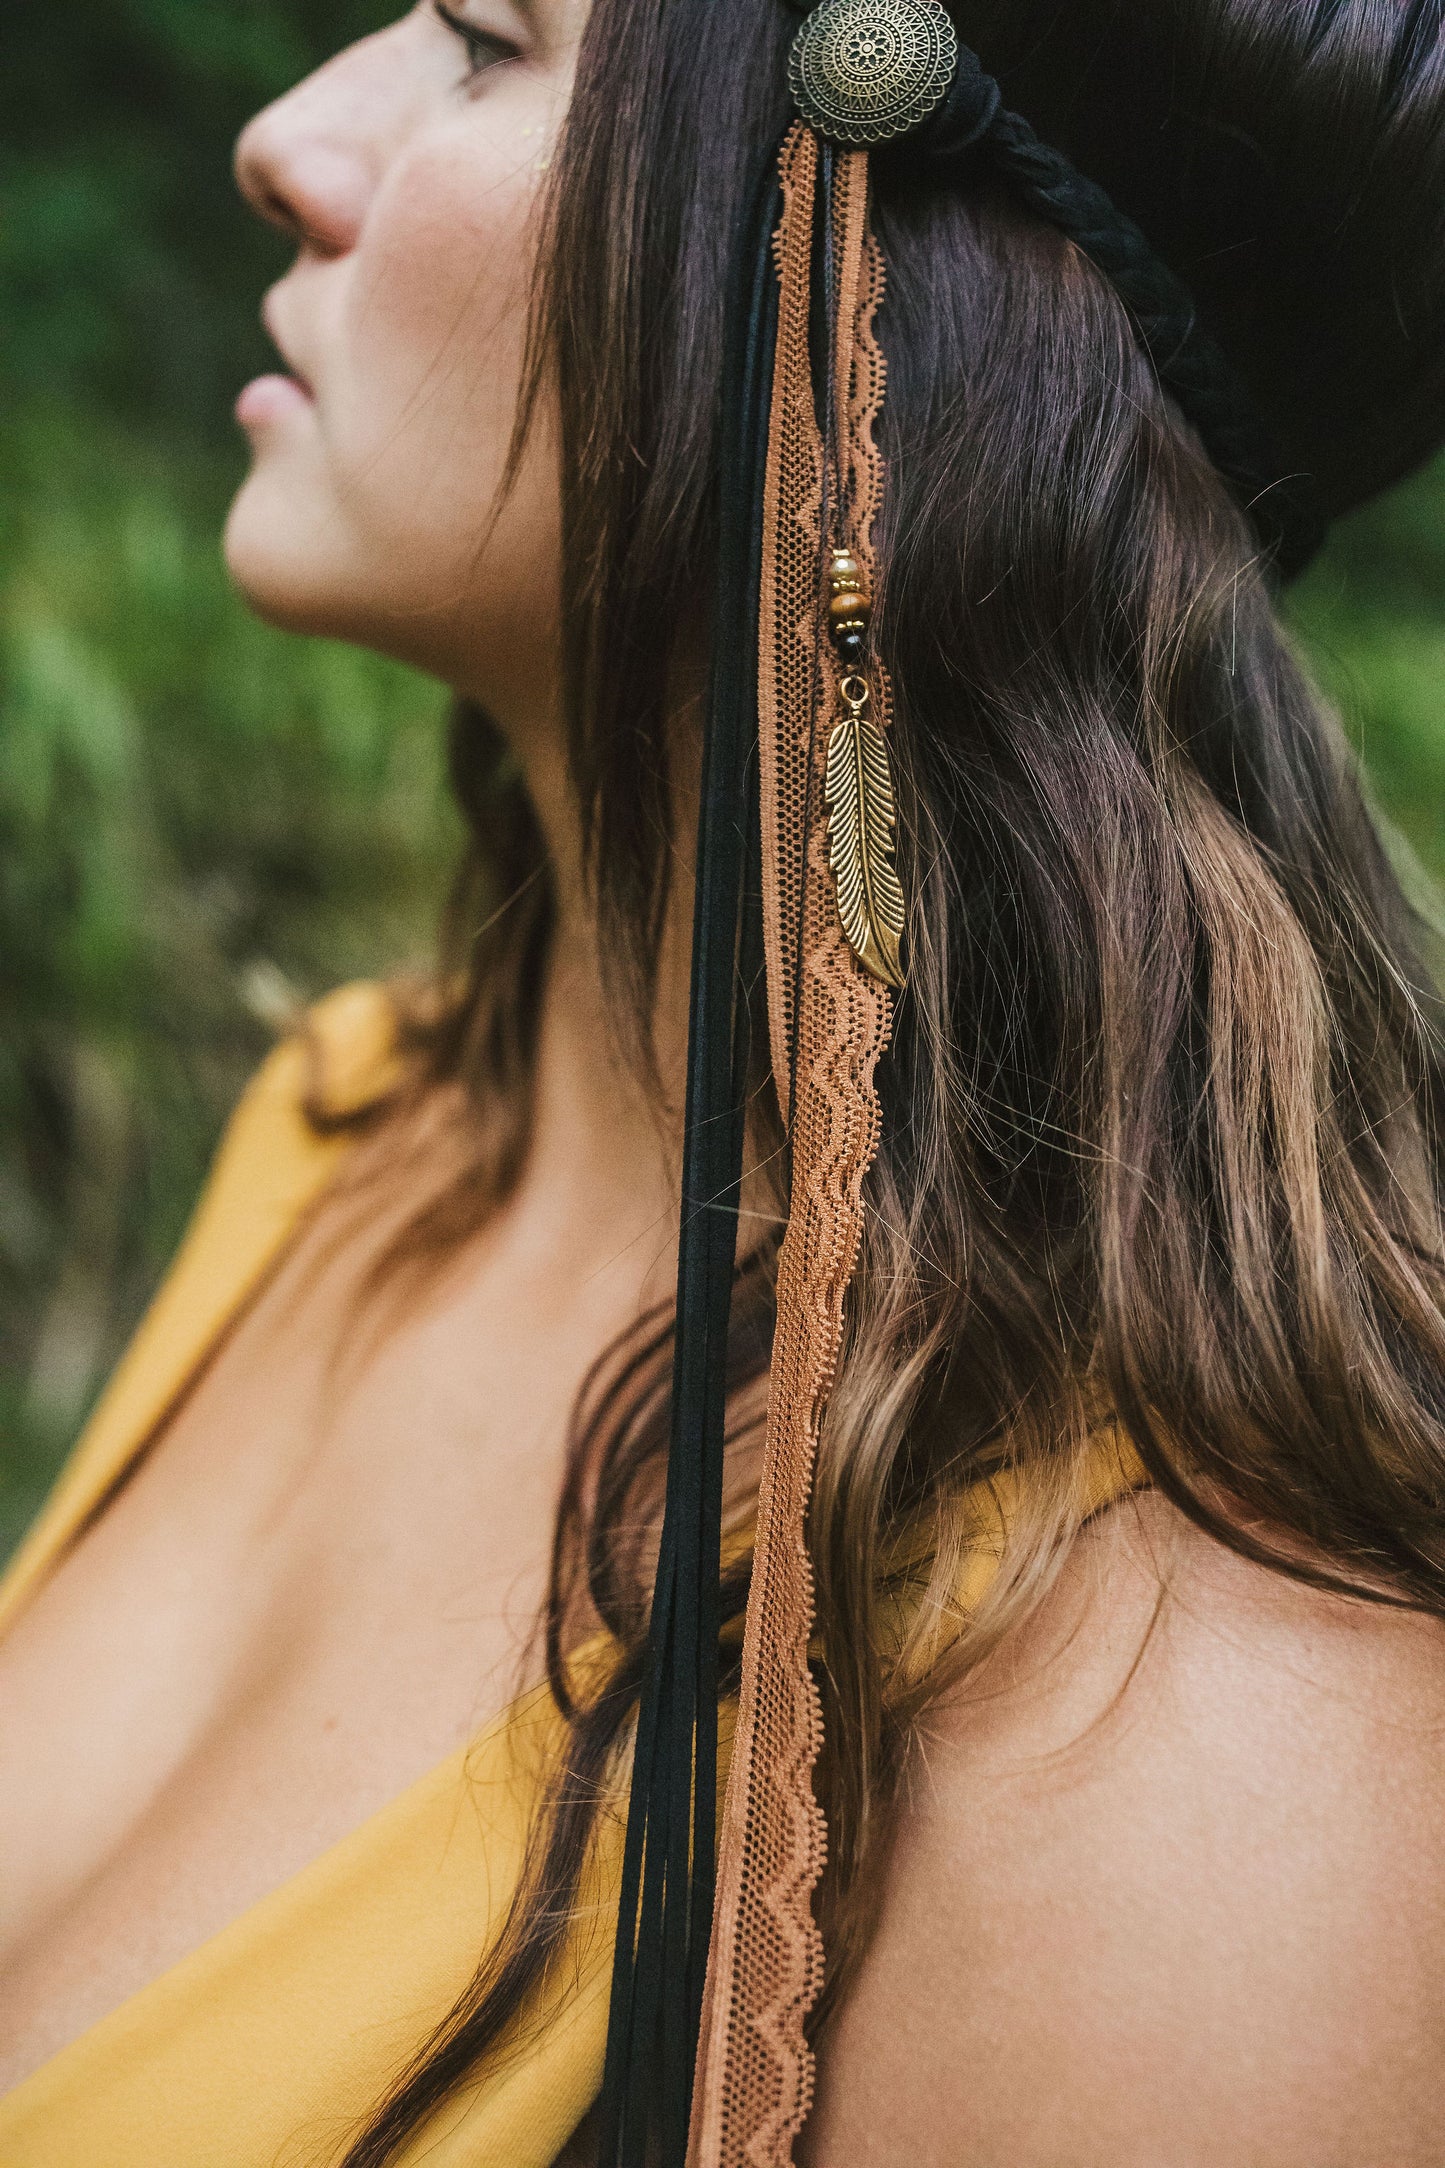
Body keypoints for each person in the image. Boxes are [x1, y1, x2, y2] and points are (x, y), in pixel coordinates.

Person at [5, 0, 1445, 2161]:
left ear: (884, 321)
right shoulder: (346, 1130)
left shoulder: (1202, 1741)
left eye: (488, 40)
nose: (287, 139)